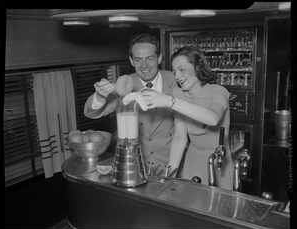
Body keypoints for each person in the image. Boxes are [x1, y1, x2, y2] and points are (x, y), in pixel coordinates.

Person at [142, 46, 233, 190]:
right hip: (193, 159)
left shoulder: (218, 91)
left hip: (218, 161)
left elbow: (213, 118)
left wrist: (169, 101)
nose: (177, 76)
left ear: (198, 67)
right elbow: (179, 137)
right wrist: (169, 175)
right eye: (174, 72)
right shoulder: (178, 94)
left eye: (182, 69)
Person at [84, 33, 177, 173]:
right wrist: (100, 95)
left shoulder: (176, 81)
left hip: (172, 164)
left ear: (159, 58)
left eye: (150, 59)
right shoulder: (125, 85)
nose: (144, 65)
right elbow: (92, 113)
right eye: (138, 60)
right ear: (131, 61)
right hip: (137, 166)